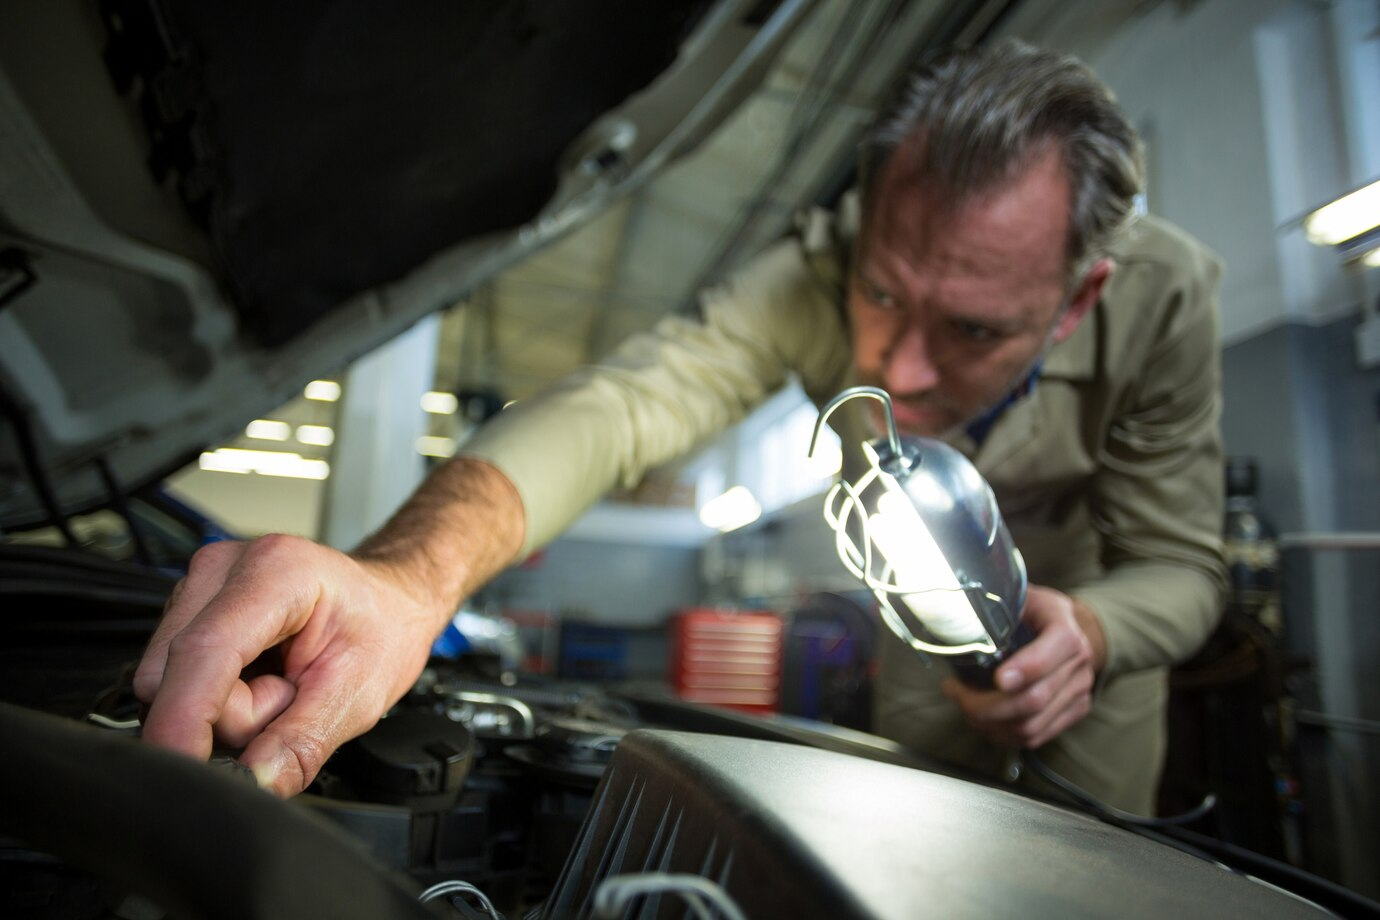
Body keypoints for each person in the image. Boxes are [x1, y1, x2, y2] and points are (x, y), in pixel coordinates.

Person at [134, 40, 1226, 813]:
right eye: (883, 294)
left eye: (976, 327)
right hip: (924, 652)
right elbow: (617, 409)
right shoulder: (811, 271)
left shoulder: (1163, 301)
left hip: (1085, 668)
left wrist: (1095, 630)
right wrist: (407, 578)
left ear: (1079, 298)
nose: (896, 368)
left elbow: (1181, 561)